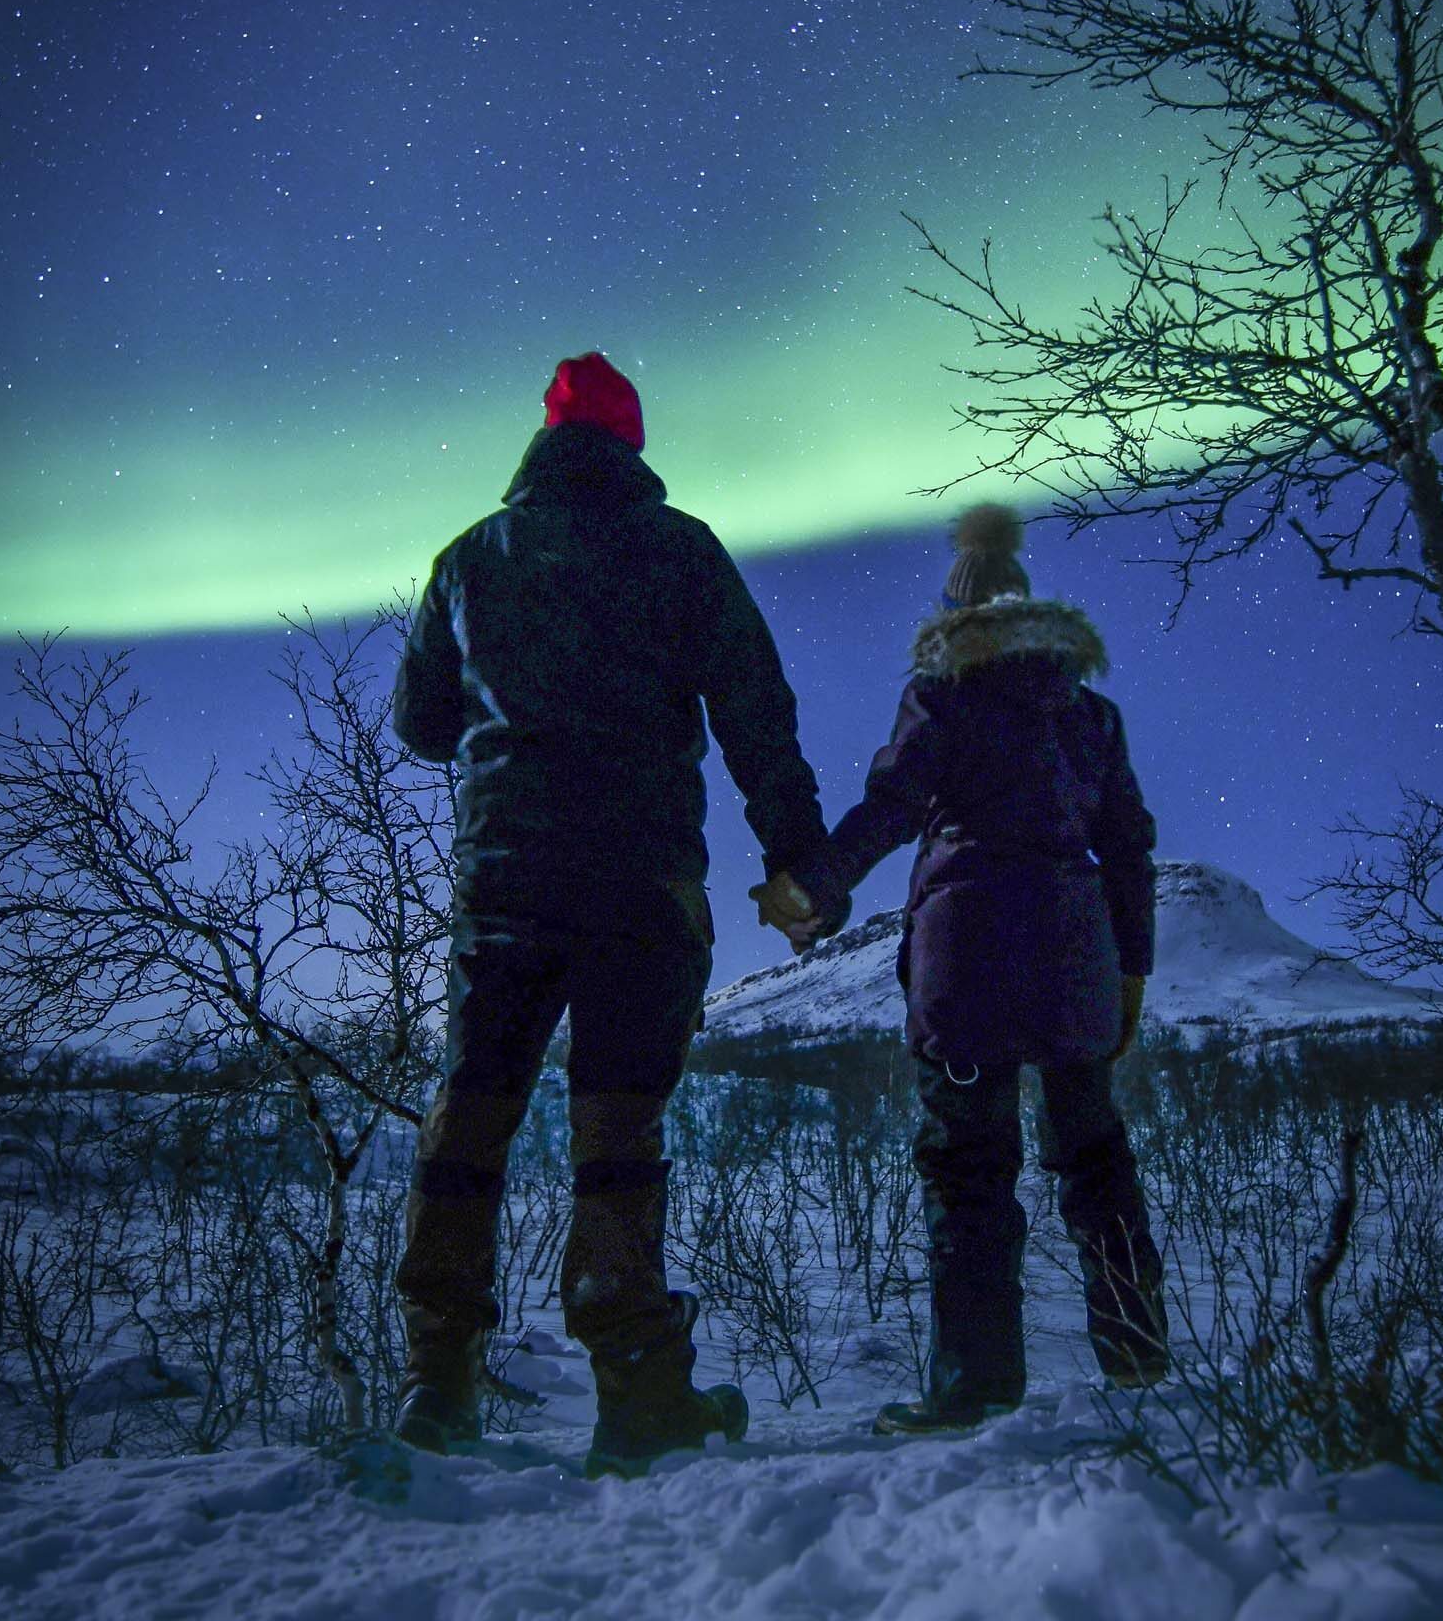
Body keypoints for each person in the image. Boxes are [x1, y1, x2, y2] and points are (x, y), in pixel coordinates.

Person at [392, 351, 846, 1476]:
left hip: (507, 877)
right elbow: (756, 711)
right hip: (642, 881)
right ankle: (636, 1389)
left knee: (473, 1113)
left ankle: (435, 1385)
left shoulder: (469, 558)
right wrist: (797, 856)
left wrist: (514, 723)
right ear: (630, 444)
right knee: (617, 1127)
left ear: (540, 443)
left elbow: (420, 722)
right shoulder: (680, 548)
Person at [760, 503, 1165, 1433]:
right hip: (1075, 960)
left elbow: (892, 805)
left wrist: (811, 886)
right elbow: (1129, 850)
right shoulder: (1091, 717)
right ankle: (1141, 1362)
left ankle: (974, 1389)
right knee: (1094, 1154)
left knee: (969, 1168)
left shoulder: (942, 696)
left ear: (956, 615)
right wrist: (1130, 971)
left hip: (969, 957)